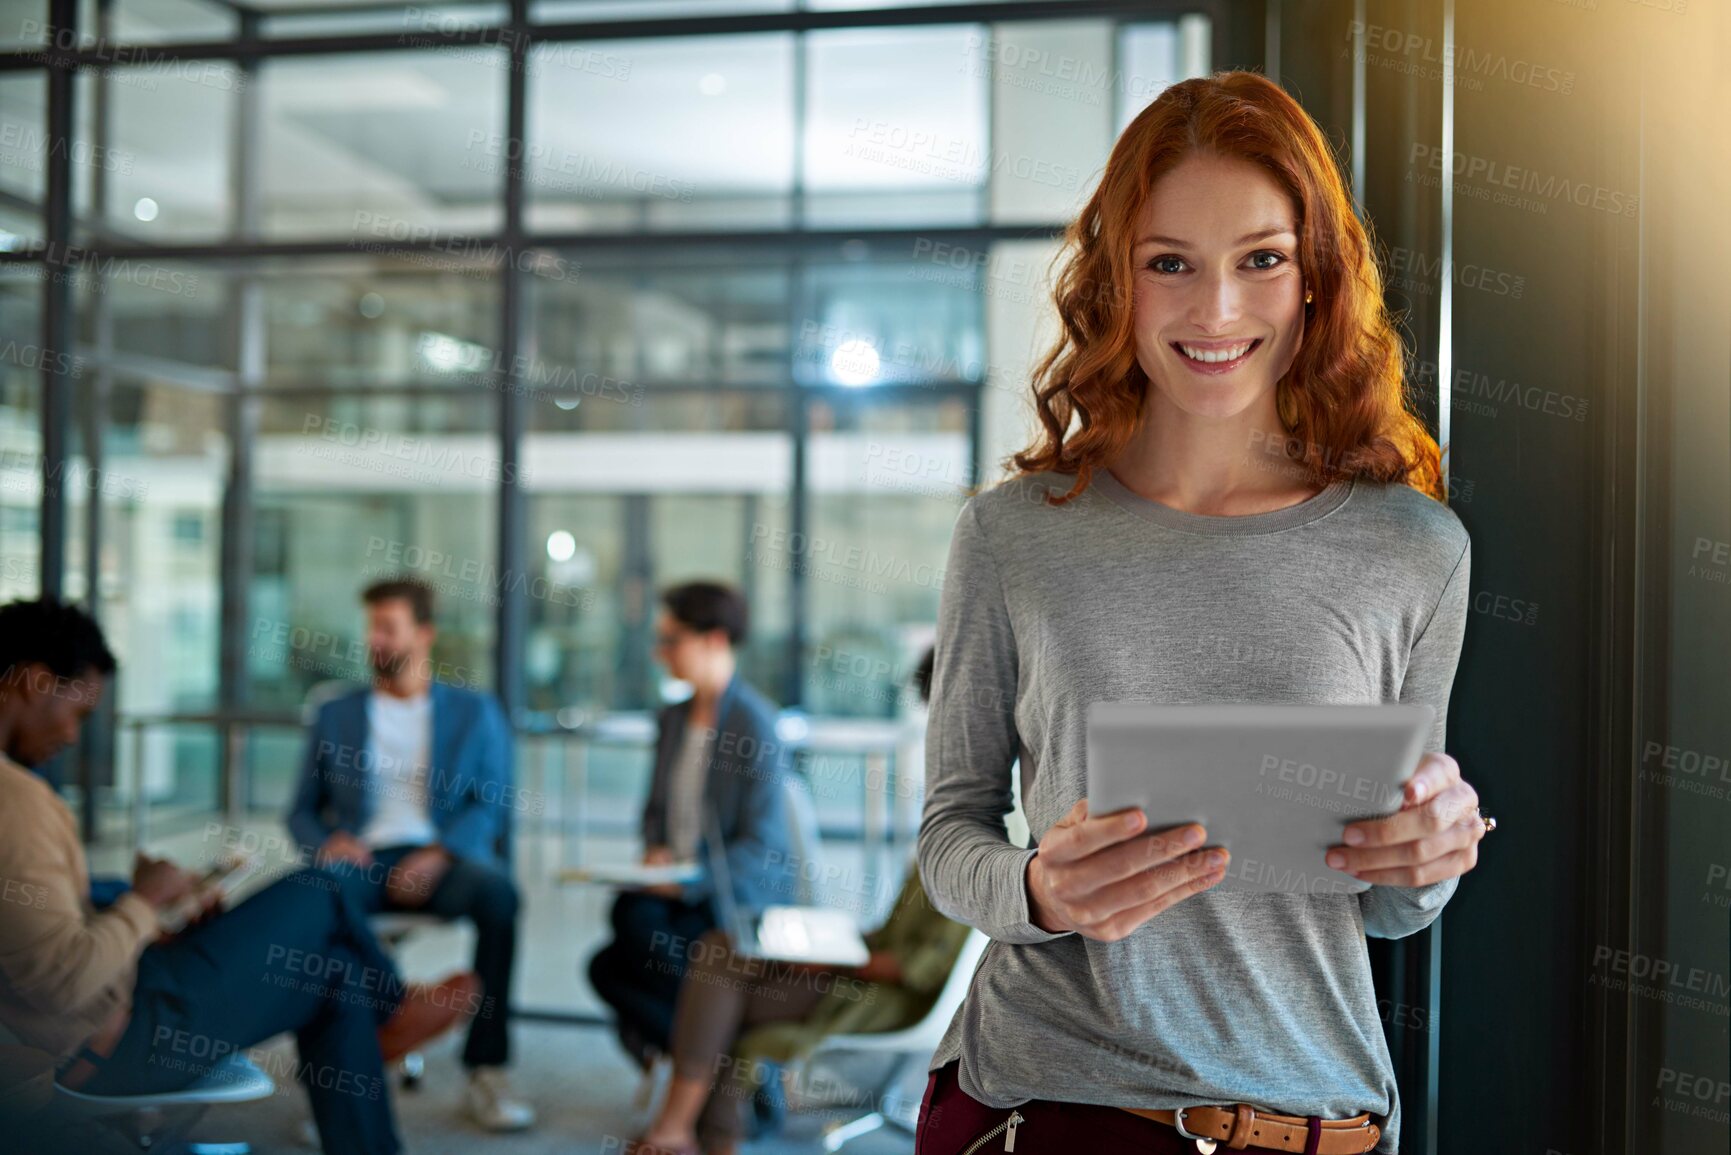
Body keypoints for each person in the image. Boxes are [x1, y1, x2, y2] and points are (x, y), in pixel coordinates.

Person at [914, 71, 1494, 1155]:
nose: (1215, 311)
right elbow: (950, 836)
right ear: (1115, 284)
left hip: (1319, 1118)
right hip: (1052, 1106)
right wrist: (1039, 889)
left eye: (1260, 261)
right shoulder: (1014, 534)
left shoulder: (1415, 550)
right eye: (1168, 263)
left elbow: (1386, 904)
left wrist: (1431, 859)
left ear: (1314, 278)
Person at [0, 597, 476, 1155]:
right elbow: (59, 983)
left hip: (127, 998)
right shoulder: (17, 803)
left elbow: (35, 931)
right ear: (34, 683)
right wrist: (144, 906)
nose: (75, 737)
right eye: (78, 713)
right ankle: (392, 1008)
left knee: (337, 971)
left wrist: (131, 904)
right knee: (321, 888)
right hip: (118, 1040)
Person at [631, 647, 971, 1155]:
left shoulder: (976, 834)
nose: (933, 734)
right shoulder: (953, 813)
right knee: (720, 949)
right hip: (858, 964)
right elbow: (893, 934)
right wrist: (834, 943)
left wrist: (835, 960)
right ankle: (697, 1133)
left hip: (881, 992)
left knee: (721, 979)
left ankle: (686, 1131)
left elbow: (918, 968)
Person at [287, 577, 532, 1131]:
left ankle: (486, 1068)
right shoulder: (336, 712)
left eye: (388, 628)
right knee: (313, 902)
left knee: (500, 898)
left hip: (441, 856)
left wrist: (439, 853)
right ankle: (366, 1051)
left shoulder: (474, 712)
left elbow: (491, 805)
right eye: (371, 628)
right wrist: (327, 844)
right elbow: (300, 810)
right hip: (362, 858)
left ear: (424, 634)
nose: (376, 640)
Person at [587, 580, 796, 1072]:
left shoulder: (754, 724)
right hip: (672, 889)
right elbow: (656, 812)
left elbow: (763, 848)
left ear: (714, 640)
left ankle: (709, 1065)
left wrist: (688, 880)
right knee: (607, 960)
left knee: (630, 934)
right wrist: (656, 851)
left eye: (671, 639)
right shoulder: (673, 719)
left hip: (725, 896)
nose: (661, 654)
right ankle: (725, 1064)